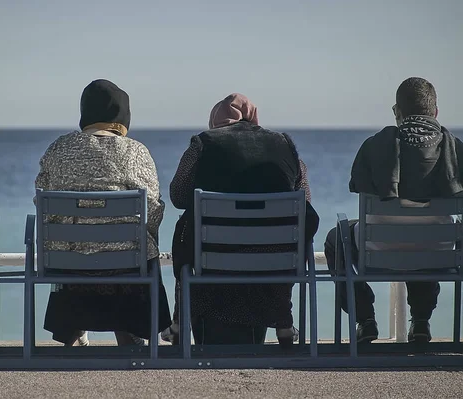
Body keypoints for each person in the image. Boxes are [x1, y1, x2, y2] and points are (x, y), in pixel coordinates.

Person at [169, 93, 319, 347]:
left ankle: (179, 321)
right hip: (273, 260)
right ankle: (284, 323)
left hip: (215, 258)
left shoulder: (202, 143)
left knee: (184, 225)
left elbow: (178, 195)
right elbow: (303, 198)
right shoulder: (284, 143)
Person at [324, 77, 463, 344]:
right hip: (439, 254)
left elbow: (357, 185)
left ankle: (365, 319)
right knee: (427, 235)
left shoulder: (374, 145)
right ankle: (421, 322)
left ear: (397, 112)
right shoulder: (456, 148)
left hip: (379, 251)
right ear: (435, 112)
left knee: (335, 238)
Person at [37, 79, 172, 346]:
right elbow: (153, 210)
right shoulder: (135, 151)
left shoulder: (58, 148)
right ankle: (131, 331)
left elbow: (41, 201)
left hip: (68, 264)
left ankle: (73, 326)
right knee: (142, 249)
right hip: (126, 265)